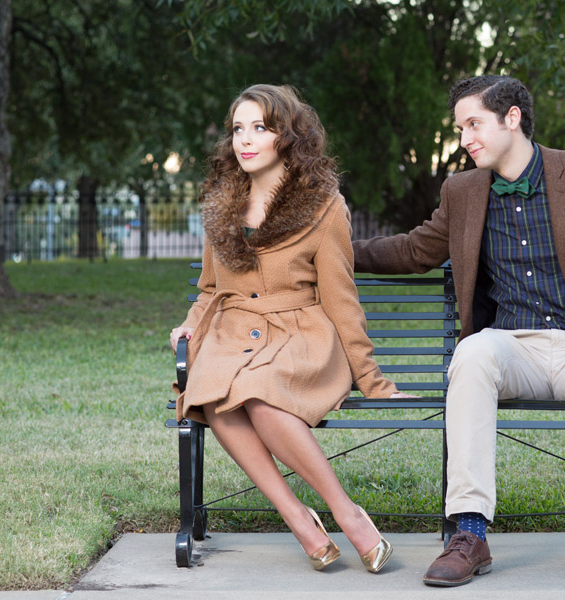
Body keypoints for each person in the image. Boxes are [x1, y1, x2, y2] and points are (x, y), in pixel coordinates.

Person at [352, 75, 565, 586]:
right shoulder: (463, 191)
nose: (465, 138)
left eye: (474, 124)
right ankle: (469, 533)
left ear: (512, 118)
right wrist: (333, 250)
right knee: (472, 355)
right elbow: (415, 250)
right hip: (509, 347)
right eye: (460, 127)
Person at [170, 84, 410, 574]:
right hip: (233, 332)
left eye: (260, 127)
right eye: (239, 128)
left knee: (257, 393)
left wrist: (373, 381)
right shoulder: (221, 204)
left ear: (289, 135)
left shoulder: (323, 206)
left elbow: (342, 299)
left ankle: (345, 511)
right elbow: (210, 289)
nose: (246, 139)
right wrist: (190, 325)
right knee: (211, 392)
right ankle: (297, 516)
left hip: (300, 333)